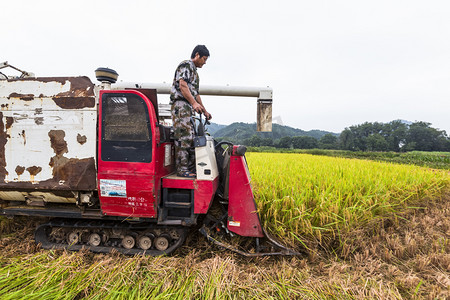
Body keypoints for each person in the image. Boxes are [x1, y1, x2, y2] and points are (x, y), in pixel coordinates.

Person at [170, 45, 212, 178]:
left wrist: (204, 110)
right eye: (204, 59)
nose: (204, 63)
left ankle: (191, 168)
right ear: (197, 55)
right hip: (181, 105)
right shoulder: (186, 65)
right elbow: (183, 85)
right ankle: (182, 169)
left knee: (193, 138)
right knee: (184, 137)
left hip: (189, 107)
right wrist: (193, 103)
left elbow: (196, 94)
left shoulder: (195, 73)